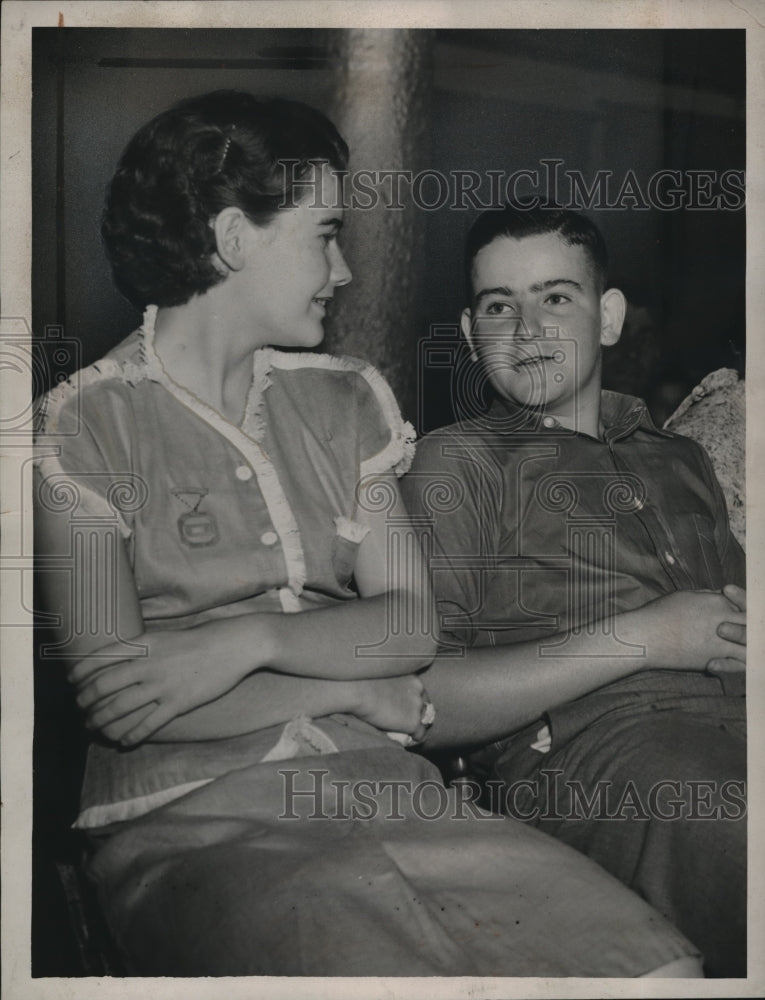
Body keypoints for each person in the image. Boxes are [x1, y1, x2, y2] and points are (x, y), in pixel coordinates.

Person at [35, 93, 702, 977]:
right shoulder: (74, 428)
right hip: (185, 818)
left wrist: (246, 641)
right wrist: (346, 694)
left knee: (658, 970)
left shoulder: (347, 398)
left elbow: (407, 627)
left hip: (392, 791)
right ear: (236, 239)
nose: (343, 268)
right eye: (323, 234)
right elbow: (121, 701)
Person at [402, 204, 747, 977]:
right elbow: (426, 701)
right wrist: (649, 638)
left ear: (609, 316)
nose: (524, 330)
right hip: (600, 759)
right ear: (468, 331)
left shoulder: (680, 454)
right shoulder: (459, 461)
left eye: (554, 297)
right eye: (499, 306)